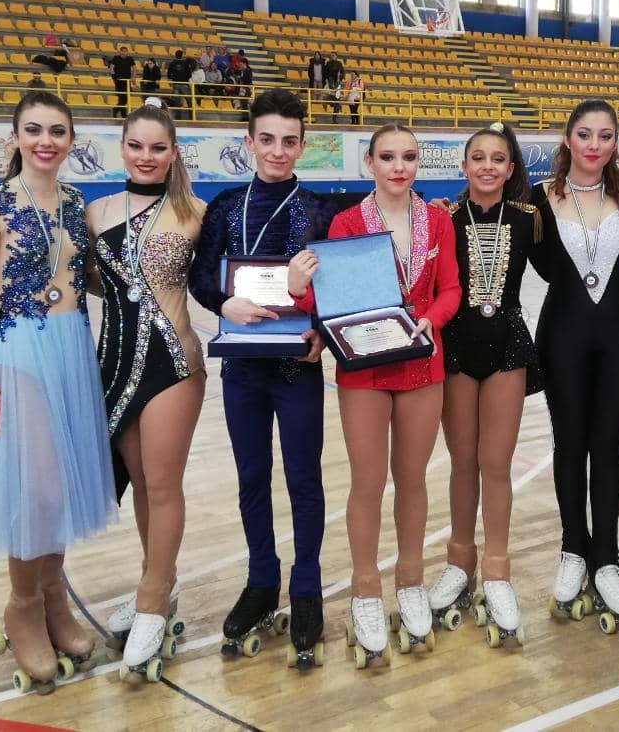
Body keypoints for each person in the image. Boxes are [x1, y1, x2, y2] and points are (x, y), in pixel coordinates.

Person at [0, 91, 116, 693]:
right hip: (20, 352)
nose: (46, 140)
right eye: (34, 129)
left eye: (57, 130)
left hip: (72, 349)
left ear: (72, 140)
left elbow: (96, 278)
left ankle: (54, 597)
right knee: (39, 485)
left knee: (62, 491)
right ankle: (22, 605)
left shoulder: (78, 205)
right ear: (16, 137)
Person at [288, 124, 461, 666]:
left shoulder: (437, 220)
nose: (398, 166)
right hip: (362, 367)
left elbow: (451, 287)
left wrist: (432, 319)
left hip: (422, 362)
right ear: (369, 162)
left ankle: (410, 578)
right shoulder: (344, 223)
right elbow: (327, 293)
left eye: (409, 157)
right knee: (368, 481)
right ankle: (366, 587)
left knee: (412, 479)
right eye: (387, 157)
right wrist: (299, 286)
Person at [188, 89, 338, 669]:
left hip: (297, 368)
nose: (278, 150)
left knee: (304, 478)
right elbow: (204, 278)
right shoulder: (225, 206)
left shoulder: (321, 211)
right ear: (249, 142)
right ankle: (261, 579)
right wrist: (225, 304)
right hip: (243, 370)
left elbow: (338, 288)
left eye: (290, 140)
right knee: (252, 474)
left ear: (304, 145)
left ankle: (306, 586)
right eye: (267, 139)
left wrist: (323, 330)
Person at [528, 99, 619, 629]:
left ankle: (607, 560)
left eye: (605, 135)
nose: (594, 145)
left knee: (607, 447)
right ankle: (573, 552)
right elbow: (518, 253)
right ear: (566, 139)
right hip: (562, 334)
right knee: (569, 445)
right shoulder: (536, 198)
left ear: (616, 142)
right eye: (584, 134)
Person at [85, 104, 206, 679]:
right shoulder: (95, 213)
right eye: (137, 145)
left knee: (162, 484)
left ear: (174, 151)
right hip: (112, 365)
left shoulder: (195, 213)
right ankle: (156, 582)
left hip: (174, 363)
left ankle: (153, 601)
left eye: (158, 147)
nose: (146, 156)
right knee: (140, 485)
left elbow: (219, 279)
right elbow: (81, 283)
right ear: (123, 146)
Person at [426, 122, 541, 645]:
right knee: (463, 460)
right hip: (454, 348)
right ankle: (459, 561)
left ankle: (497, 567)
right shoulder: (443, 218)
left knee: (496, 463)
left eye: (499, 158)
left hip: (508, 346)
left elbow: (566, 269)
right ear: (464, 165)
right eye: (479, 157)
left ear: (511, 168)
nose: (488, 166)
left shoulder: (529, 219)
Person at [108, 45, 136, 119]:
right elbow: (111, 68)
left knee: (125, 98)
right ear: (120, 52)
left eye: (125, 51)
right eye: (122, 51)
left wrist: (133, 77)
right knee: (122, 98)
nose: (123, 53)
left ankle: (117, 110)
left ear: (127, 52)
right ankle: (122, 113)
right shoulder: (116, 58)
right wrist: (114, 77)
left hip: (127, 81)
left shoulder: (130, 59)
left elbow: (134, 68)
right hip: (119, 81)